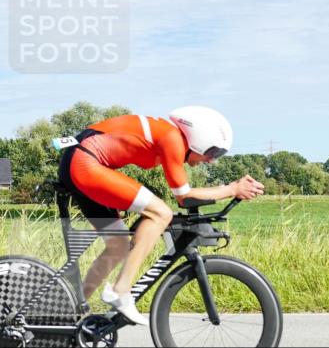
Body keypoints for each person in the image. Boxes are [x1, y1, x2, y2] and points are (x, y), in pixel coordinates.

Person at [57, 106, 264, 325]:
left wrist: (230, 189)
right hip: (84, 162)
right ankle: (121, 290)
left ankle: (72, 311)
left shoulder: (168, 137)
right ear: (199, 139)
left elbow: (186, 193)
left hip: (79, 160)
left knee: (118, 244)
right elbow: (185, 197)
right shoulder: (172, 138)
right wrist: (232, 189)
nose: (211, 160)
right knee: (159, 213)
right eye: (213, 152)